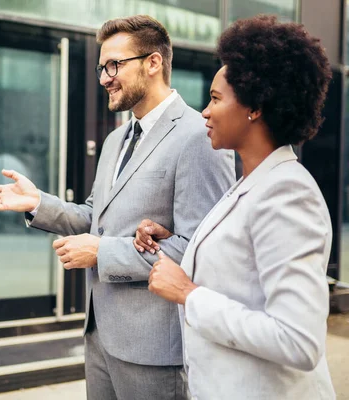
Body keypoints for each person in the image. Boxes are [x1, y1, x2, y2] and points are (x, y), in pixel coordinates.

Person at [0, 15, 235, 399]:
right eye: (102, 67)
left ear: (153, 63)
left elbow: (200, 251)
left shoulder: (199, 137)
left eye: (114, 65)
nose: (104, 77)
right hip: (99, 336)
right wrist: (38, 203)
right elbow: (95, 217)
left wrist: (101, 252)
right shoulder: (116, 139)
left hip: (156, 350)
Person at [140, 15, 336, 399]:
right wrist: (172, 238)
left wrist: (189, 295)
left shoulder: (288, 193)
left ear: (256, 106)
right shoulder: (250, 182)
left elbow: (299, 341)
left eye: (215, 98)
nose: (205, 113)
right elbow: (237, 262)